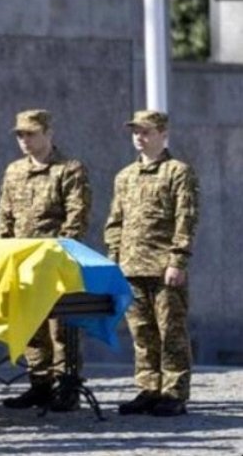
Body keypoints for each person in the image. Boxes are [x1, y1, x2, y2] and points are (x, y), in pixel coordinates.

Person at [104, 110, 199, 417]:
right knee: (142, 333)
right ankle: (148, 389)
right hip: (131, 267)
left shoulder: (178, 172)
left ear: (163, 134)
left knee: (171, 332)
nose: (139, 138)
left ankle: (174, 393)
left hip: (162, 266)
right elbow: (115, 222)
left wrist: (178, 261)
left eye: (146, 132)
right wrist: (113, 262)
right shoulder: (125, 176)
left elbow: (186, 219)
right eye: (136, 132)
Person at [0, 109, 91, 412]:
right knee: (30, 324)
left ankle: (67, 386)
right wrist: (4, 252)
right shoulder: (14, 171)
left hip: (55, 262)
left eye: (31, 134)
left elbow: (77, 216)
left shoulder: (69, 169)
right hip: (22, 262)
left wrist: (57, 253)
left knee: (60, 327)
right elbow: (5, 216)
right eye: (20, 135)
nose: (24, 140)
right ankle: (39, 385)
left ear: (48, 133)